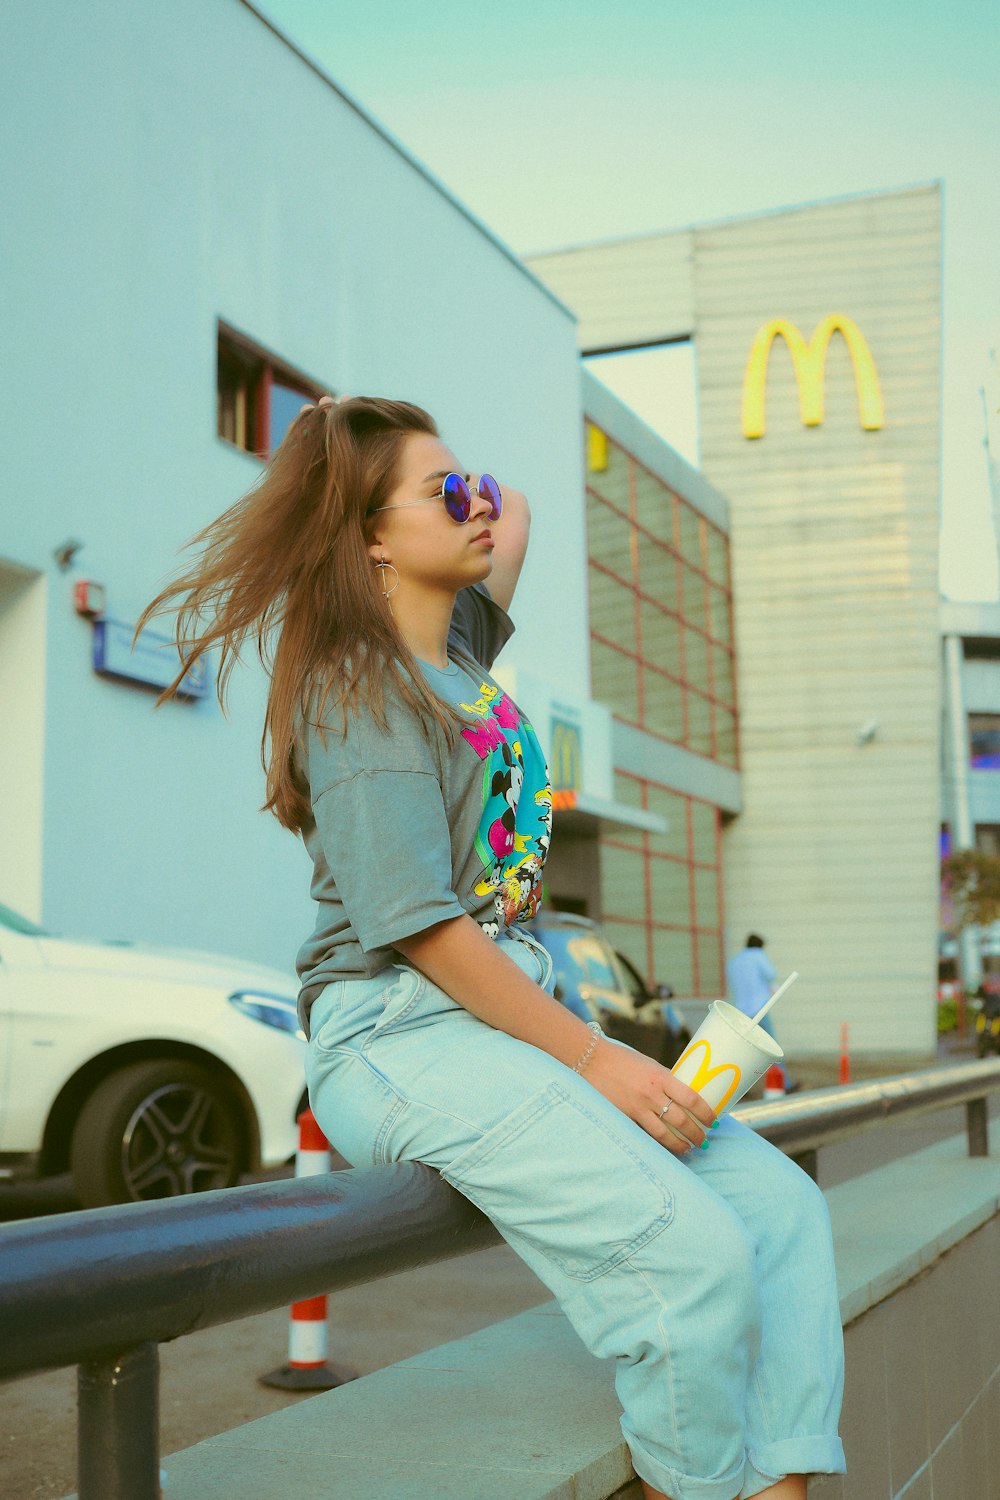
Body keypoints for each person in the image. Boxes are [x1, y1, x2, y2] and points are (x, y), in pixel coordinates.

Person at [136, 395, 845, 1500]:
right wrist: (597, 1056)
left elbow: (512, 510)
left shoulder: (461, 647)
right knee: (688, 1256)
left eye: (462, 483)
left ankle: (782, 1488)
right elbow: (419, 926)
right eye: (438, 492)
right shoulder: (360, 691)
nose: (473, 505)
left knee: (780, 1214)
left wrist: (383, 439)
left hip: (498, 1025)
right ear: (370, 536)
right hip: (397, 1031)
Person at [726, 936, 799, 1092]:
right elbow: (771, 973)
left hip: (741, 1010)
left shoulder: (735, 961)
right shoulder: (757, 955)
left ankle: (732, 1088)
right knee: (773, 1048)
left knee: (741, 1050)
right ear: (759, 946)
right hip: (759, 1009)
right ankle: (785, 1083)